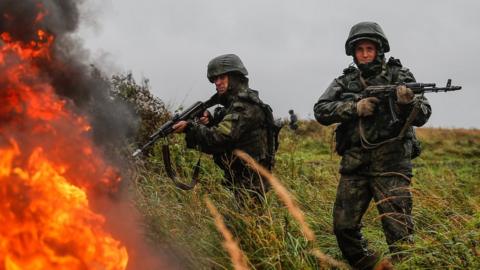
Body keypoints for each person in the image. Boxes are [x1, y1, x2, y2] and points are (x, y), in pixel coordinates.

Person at [313, 22, 432, 269]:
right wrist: (354, 107)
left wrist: (407, 104)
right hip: (355, 164)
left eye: (370, 48)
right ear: (353, 53)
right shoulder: (345, 82)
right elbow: (320, 110)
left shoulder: (400, 76)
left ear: (380, 50)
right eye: (360, 49)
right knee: (344, 228)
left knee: (399, 233)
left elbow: (424, 114)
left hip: (391, 165)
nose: (365, 54)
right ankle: (374, 265)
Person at [173, 54, 274, 206]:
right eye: (214, 79)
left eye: (222, 77)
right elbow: (229, 131)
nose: (217, 83)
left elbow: (220, 139)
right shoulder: (233, 106)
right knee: (241, 224)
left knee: (247, 224)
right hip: (240, 177)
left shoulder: (245, 107)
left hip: (251, 181)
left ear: (234, 77)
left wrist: (190, 128)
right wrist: (209, 122)